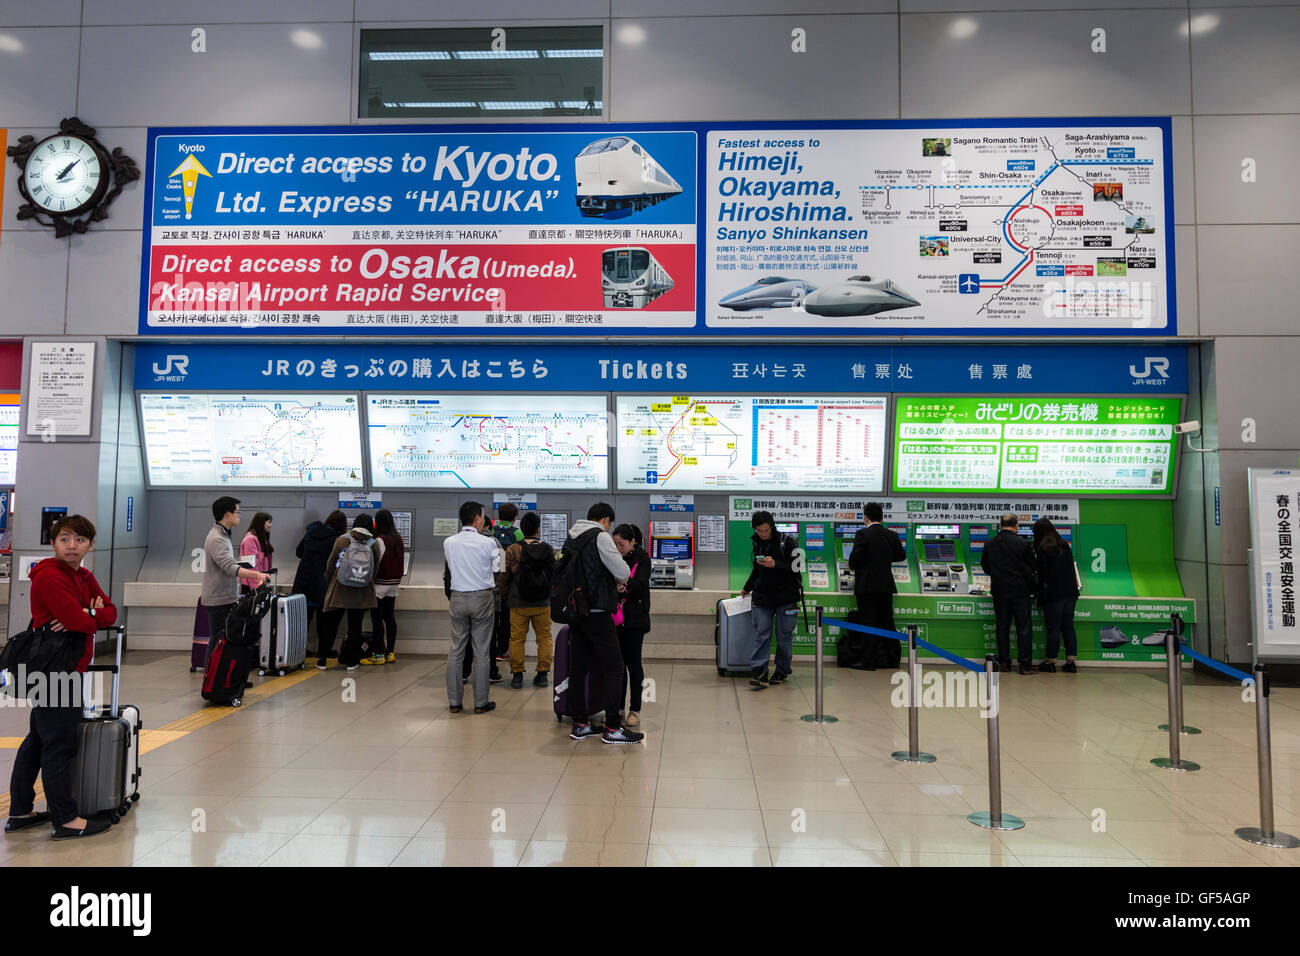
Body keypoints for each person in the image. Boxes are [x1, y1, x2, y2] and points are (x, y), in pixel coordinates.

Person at [6, 515, 117, 840]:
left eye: (80, 540)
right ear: (53, 543)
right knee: (60, 743)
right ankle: (66, 820)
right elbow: (74, 620)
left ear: (90, 545)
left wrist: (90, 613)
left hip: (63, 667)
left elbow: (110, 612)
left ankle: (20, 811)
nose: (72, 545)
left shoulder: (82, 575)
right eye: (65, 539)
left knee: (39, 739)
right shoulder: (50, 576)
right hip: (55, 669)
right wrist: (85, 614)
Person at [561, 503, 642, 744]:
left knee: (578, 668)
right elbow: (622, 570)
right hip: (597, 611)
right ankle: (613, 728)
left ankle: (580, 723)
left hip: (577, 611)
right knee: (615, 667)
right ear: (605, 519)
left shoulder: (572, 536)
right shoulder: (600, 536)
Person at [444, 500, 502, 714]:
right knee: (481, 652)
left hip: (457, 597)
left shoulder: (449, 542)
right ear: (477, 518)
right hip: (482, 597)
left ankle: (454, 702)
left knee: (456, 650)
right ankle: (480, 703)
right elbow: (499, 568)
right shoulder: (488, 543)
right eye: (483, 517)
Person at [202, 497, 270, 667]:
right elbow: (229, 567)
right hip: (218, 599)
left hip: (225, 597)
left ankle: (221, 679)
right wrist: (257, 575)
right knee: (217, 640)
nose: (239, 516)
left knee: (224, 639)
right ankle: (211, 679)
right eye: (237, 512)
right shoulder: (216, 538)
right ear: (227, 514)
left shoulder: (223, 535)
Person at [740, 511, 801, 688]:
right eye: (759, 531)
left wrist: (776, 564)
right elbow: (756, 570)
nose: (763, 534)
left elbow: (798, 567)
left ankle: (781, 670)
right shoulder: (757, 543)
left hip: (786, 598)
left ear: (772, 526)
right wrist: (747, 587)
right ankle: (760, 672)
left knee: (784, 637)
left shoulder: (788, 541)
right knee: (762, 635)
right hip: (763, 597)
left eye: (765, 530)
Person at [322, 513, 384, 672]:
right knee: (355, 627)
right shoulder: (373, 544)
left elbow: (330, 564)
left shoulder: (342, 539)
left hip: (340, 588)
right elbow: (375, 569)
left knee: (331, 624)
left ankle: (322, 660)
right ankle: (352, 661)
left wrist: (331, 581)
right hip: (361, 591)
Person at [501, 510, 555, 689]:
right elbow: (554, 574)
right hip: (542, 602)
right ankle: (542, 675)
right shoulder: (548, 550)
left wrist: (505, 595)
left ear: (522, 530)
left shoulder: (513, 549)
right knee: (545, 638)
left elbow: (505, 576)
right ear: (538, 530)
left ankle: (517, 676)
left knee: (516, 639)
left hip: (518, 602)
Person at [980, 514, 1038, 675]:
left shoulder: (990, 543)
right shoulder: (1023, 543)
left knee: (1002, 626)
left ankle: (1004, 662)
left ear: (1000, 525)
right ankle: (1025, 665)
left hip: (999, 590)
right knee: (1024, 628)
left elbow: (985, 567)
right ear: (1016, 525)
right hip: (1020, 591)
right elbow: (1033, 566)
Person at [848, 502, 906, 656]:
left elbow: (855, 557)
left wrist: (853, 564)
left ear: (865, 518)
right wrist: (884, 558)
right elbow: (901, 555)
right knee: (887, 621)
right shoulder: (891, 535)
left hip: (867, 586)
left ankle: (868, 661)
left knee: (868, 623)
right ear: (882, 518)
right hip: (886, 585)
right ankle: (894, 658)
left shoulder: (862, 534)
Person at [295, 509, 348, 666]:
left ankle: (299, 653)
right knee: (324, 620)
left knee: (303, 620)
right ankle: (322, 653)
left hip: (303, 581)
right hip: (322, 582)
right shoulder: (336, 539)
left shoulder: (311, 532)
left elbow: (299, 552)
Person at [611, 523, 650, 729]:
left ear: (632, 541)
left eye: (622, 544)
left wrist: (625, 584)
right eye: (615, 544)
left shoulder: (642, 559)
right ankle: (618, 707)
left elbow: (642, 587)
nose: (618, 548)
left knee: (633, 665)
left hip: (635, 620)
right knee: (617, 666)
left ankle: (635, 709)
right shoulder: (612, 558)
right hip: (615, 619)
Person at [1033, 517, 1080, 673]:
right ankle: (1071, 662)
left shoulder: (1043, 548)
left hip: (1054, 594)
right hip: (1071, 593)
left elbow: (1043, 574)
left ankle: (1050, 661)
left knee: (1053, 628)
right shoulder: (1064, 545)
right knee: (1068, 626)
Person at [364, 509, 404, 666]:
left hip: (380, 584)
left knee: (377, 619)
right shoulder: (398, 538)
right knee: (390, 618)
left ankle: (379, 654)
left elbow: (376, 561)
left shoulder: (380, 540)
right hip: (394, 584)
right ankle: (390, 652)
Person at [491, 503, 525, 665]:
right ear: (515, 518)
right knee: (507, 618)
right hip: (510, 583)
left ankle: (492, 648)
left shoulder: (492, 531)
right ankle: (503, 649)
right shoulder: (517, 533)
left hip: (492, 581)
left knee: (492, 617)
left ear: (498, 516)